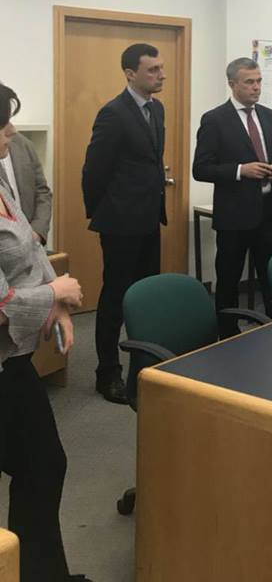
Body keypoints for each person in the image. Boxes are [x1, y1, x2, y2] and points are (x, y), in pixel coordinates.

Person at [0, 84, 94, 582]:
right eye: (3, 124)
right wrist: (54, 293)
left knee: (39, 463)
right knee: (41, 463)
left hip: (12, 358)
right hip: (3, 363)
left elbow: (29, 249)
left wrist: (53, 301)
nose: (11, 132)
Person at [82, 44, 167, 404]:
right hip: (119, 222)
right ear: (131, 74)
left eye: (161, 68)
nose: (161, 75)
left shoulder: (157, 108)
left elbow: (149, 162)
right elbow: (94, 171)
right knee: (115, 298)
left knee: (145, 297)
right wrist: (103, 214)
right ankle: (107, 373)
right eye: (152, 70)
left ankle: (145, 366)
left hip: (149, 219)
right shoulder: (113, 113)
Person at [193, 58, 272, 317]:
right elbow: (200, 169)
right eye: (249, 82)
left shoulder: (268, 116)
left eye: (259, 81)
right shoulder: (214, 119)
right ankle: (228, 333)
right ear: (232, 84)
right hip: (234, 216)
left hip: (268, 213)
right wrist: (239, 171)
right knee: (228, 279)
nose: (256, 87)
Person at [0, 130, 52, 246]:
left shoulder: (24, 144)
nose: (12, 129)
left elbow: (42, 191)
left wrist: (37, 232)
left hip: (32, 246)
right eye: (4, 122)